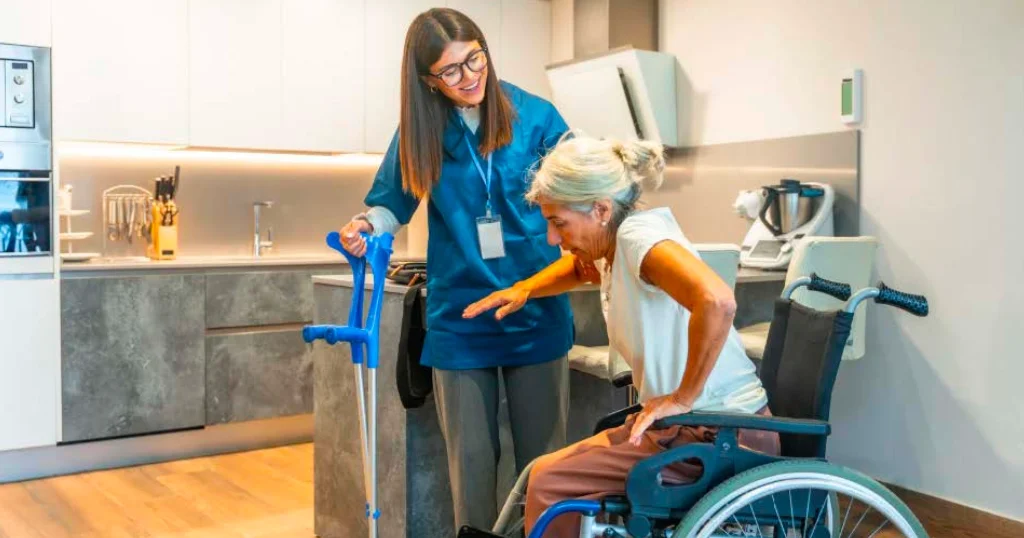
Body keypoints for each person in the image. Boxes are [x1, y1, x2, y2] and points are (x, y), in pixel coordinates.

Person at [463, 135, 781, 537]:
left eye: (558, 223)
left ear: (600, 209)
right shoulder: (615, 242)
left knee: (549, 482)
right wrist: (525, 289)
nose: (552, 239)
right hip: (694, 430)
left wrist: (682, 397)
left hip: (720, 436)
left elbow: (717, 302)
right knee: (539, 472)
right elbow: (581, 270)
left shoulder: (636, 239)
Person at [337, 8, 574, 531]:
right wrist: (365, 226)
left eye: (475, 59)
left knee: (545, 470)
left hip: (534, 310)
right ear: (428, 81)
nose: (470, 78)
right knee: (470, 470)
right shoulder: (422, 130)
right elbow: (389, 204)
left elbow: (579, 184)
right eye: (451, 71)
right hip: (460, 320)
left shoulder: (535, 117)